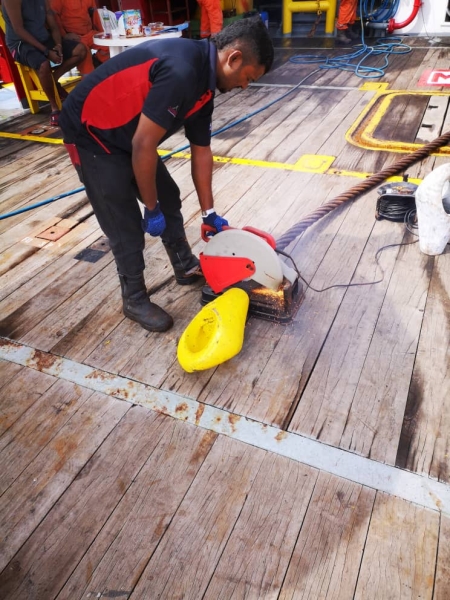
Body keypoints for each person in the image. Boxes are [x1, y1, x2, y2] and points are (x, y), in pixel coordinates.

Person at [59, 17, 274, 333]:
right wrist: (151, 207)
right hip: (91, 134)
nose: (244, 87)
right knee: (125, 224)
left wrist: (209, 213)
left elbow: (201, 150)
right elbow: (144, 145)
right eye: (248, 78)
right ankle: (134, 298)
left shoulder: (205, 86)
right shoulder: (182, 70)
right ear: (235, 58)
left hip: (128, 137)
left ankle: (185, 266)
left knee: (169, 195)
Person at [2, 0, 87, 126]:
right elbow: (18, 29)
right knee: (43, 64)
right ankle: (54, 108)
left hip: (43, 38)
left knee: (80, 50)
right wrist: (46, 52)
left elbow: (52, 24)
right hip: (20, 43)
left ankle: (54, 78)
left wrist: (58, 44)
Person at [50, 0, 110, 76]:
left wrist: (102, 33)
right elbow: (54, 17)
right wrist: (65, 35)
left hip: (90, 33)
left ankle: (97, 62)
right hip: (75, 37)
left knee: (108, 43)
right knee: (85, 54)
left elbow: (95, 15)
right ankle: (89, 82)